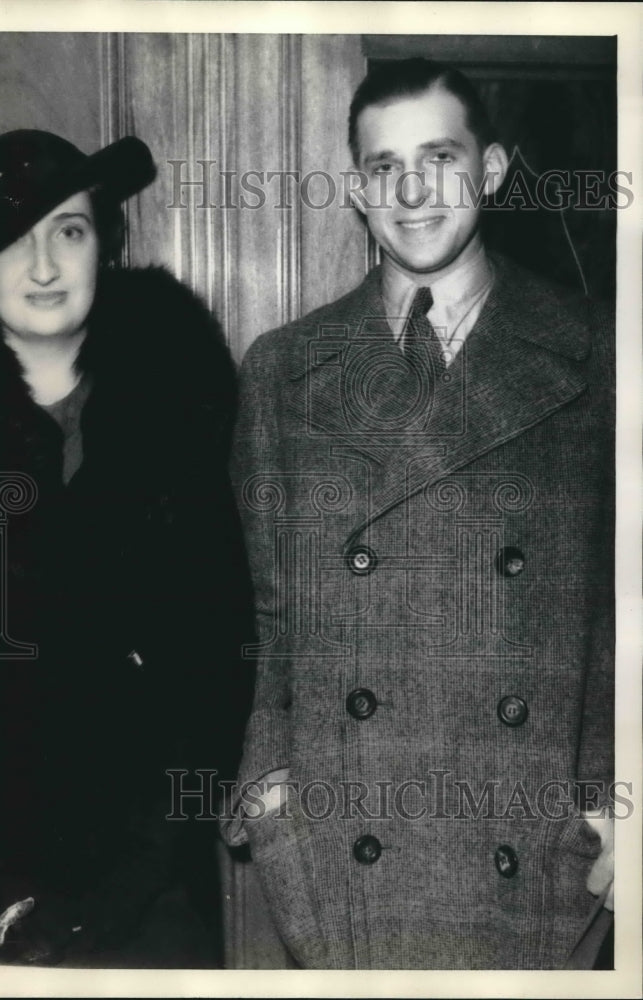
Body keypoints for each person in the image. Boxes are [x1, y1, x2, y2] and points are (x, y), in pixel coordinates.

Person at [221, 59, 614, 970]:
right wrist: (274, 796)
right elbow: (271, 617)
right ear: (357, 188)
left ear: (491, 169)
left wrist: (616, 802)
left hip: (541, 837)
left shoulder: (599, 354)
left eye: (439, 158)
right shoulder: (285, 368)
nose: (412, 192)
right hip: (344, 846)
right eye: (383, 167)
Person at [0, 129, 253, 966]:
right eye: (9, 238)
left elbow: (219, 663)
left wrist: (139, 875)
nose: (42, 266)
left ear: (104, 244)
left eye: (67, 230)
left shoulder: (183, 409)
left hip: (151, 883)